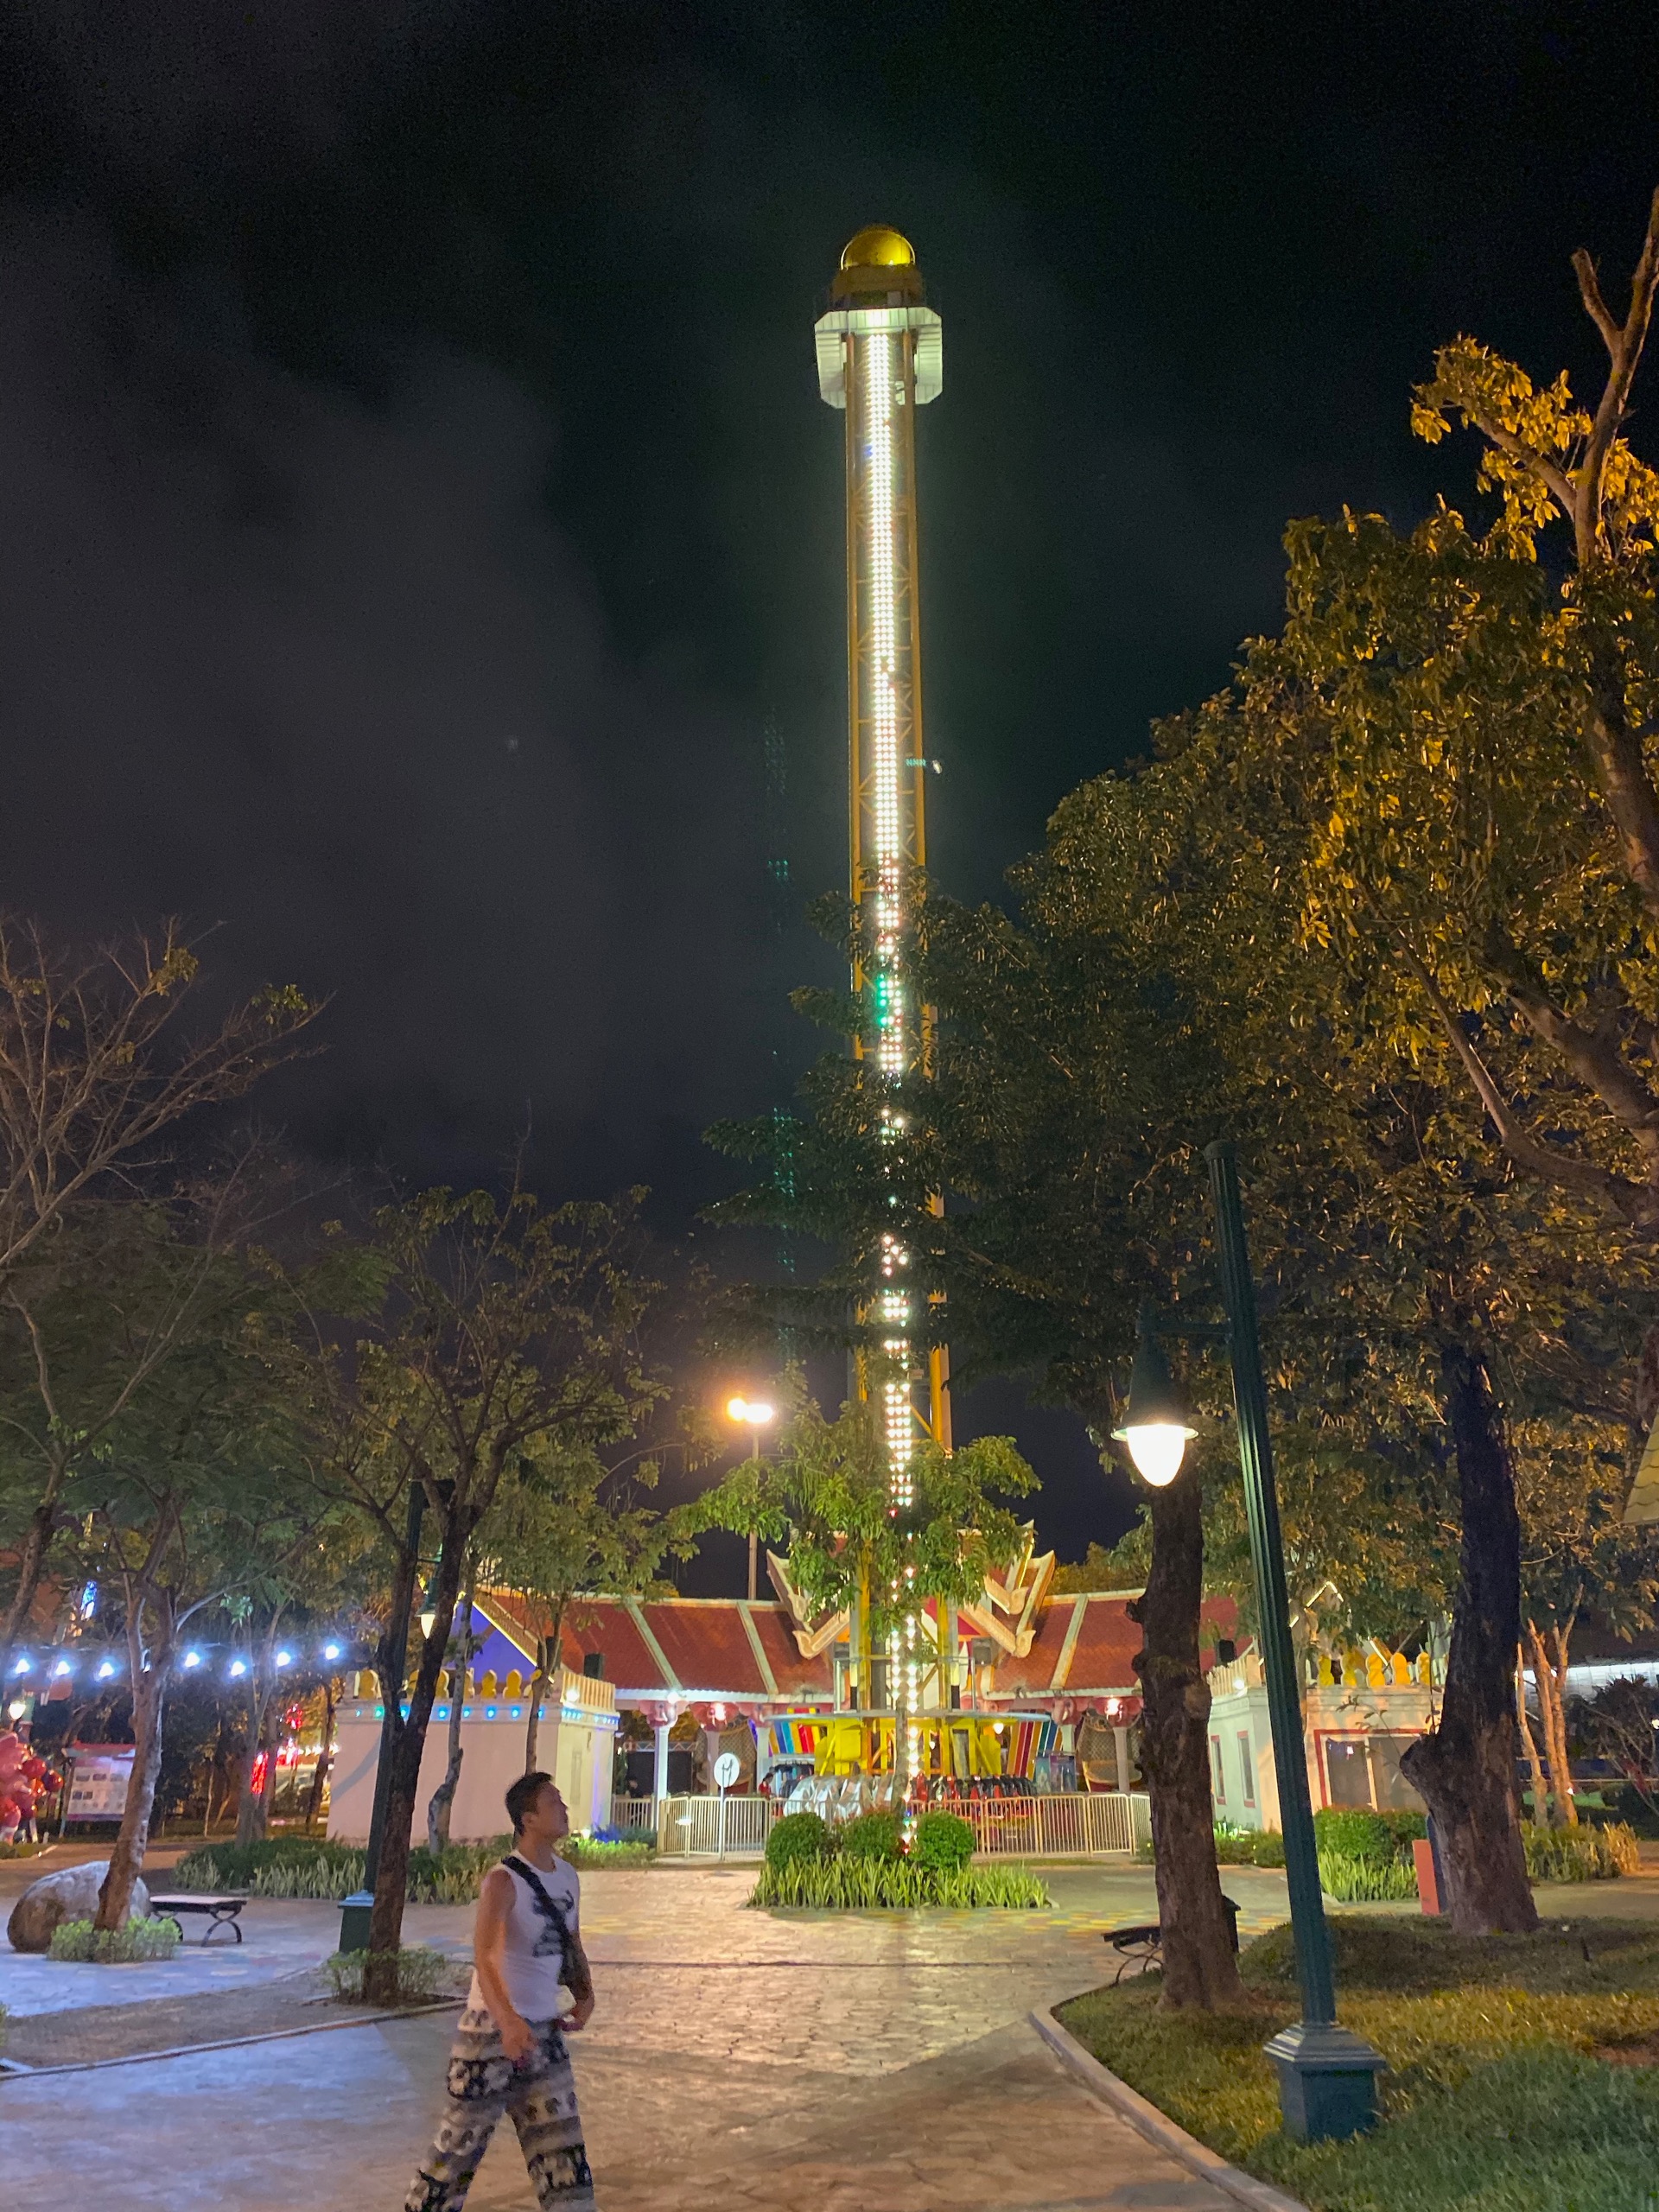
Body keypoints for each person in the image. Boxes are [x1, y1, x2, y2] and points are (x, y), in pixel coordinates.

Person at [405, 1772, 596, 2211]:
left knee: (563, 2157)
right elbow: (485, 1955)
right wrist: (508, 2020)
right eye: (554, 1802)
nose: (564, 1809)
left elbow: (572, 1941)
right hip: (490, 2032)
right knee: (456, 2153)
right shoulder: (503, 1881)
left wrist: (585, 1994)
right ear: (529, 1818)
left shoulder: (568, 1877)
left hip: (544, 2031)